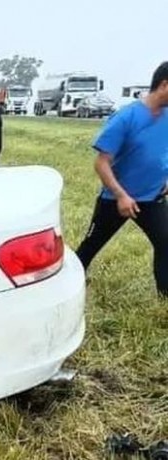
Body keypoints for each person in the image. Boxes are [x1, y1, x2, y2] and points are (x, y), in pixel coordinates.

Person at [75, 61, 168, 297]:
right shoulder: (126, 117)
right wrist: (121, 196)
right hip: (116, 199)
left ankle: (165, 294)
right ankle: (70, 284)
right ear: (164, 85)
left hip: (152, 197)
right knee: (91, 246)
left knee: (166, 242)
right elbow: (101, 163)